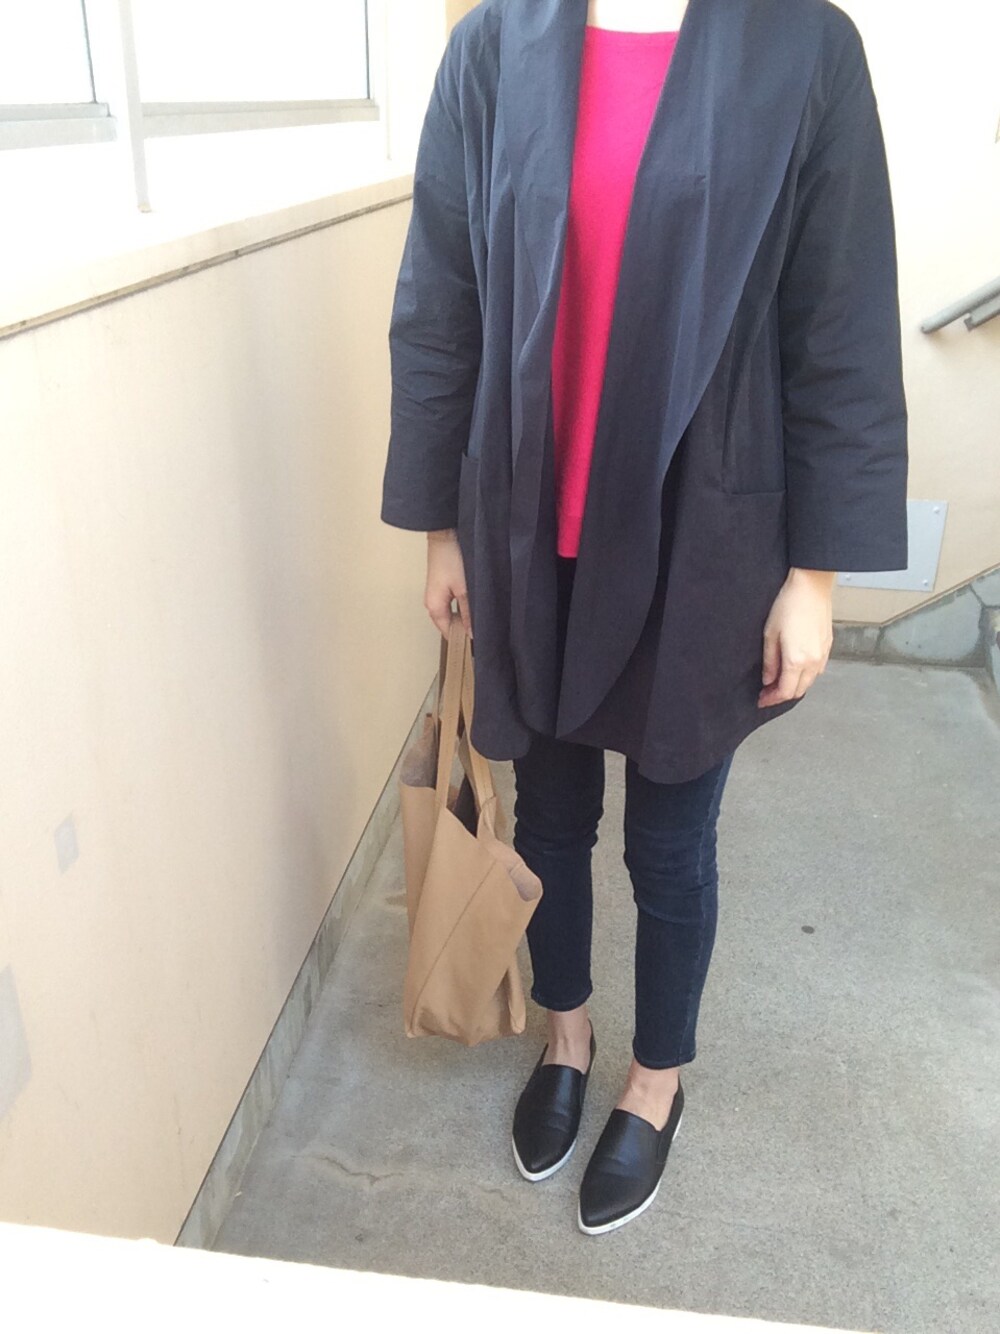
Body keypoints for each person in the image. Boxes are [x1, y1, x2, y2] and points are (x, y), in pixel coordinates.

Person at [381, 0, 909, 1236]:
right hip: (531, 525)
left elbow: (837, 321)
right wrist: (441, 526)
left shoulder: (803, 47)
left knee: (671, 844)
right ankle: (564, 1036)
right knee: (550, 817)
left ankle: (654, 1081)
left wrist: (816, 577)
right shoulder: (493, 45)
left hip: (705, 535)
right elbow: (440, 296)